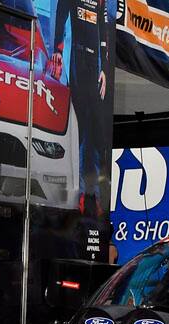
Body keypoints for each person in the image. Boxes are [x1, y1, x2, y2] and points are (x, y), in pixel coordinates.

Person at [47, 0, 109, 217]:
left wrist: (105, 70)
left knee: (98, 133)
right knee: (80, 129)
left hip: (95, 67)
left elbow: (102, 26)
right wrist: (56, 49)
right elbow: (62, 14)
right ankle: (79, 195)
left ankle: (95, 196)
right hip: (77, 59)